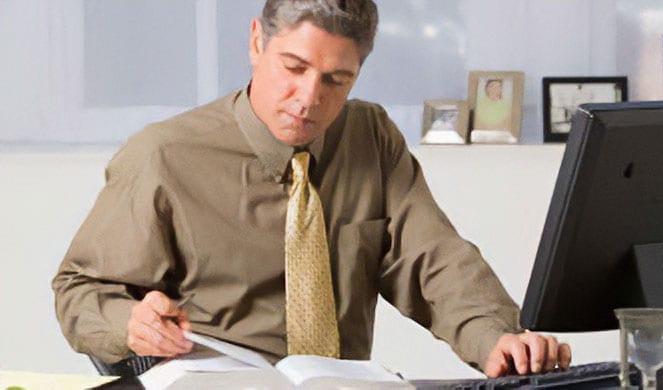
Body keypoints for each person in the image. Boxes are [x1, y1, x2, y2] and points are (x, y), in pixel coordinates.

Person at [52, 0, 571, 378]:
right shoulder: (163, 155)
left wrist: (495, 337)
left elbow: (431, 259)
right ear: (257, 42)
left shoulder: (370, 136)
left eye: (335, 80)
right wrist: (129, 323)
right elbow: (80, 288)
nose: (308, 99)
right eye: (293, 68)